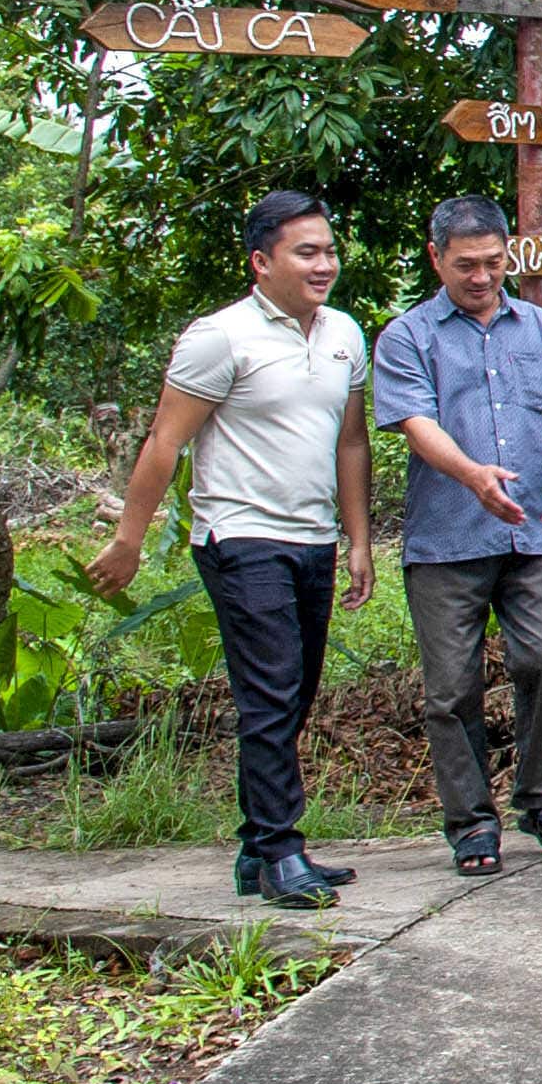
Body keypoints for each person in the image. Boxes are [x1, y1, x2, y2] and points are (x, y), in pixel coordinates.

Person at [87, 191, 374, 910]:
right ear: (261, 261)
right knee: (271, 692)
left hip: (312, 538)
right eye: (306, 251)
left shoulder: (342, 333)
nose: (325, 264)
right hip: (241, 536)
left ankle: (257, 848)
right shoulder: (221, 337)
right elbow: (165, 441)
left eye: (329, 250)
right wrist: (128, 539)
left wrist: (360, 537)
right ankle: (281, 851)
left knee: (296, 692)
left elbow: (351, 441)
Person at [371, 194, 542, 879]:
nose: (482, 277)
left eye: (494, 263)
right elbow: (415, 422)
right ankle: (470, 821)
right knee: (450, 690)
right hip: (449, 539)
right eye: (466, 265)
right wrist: (471, 475)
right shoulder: (407, 338)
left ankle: (539, 797)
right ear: (437, 259)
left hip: (536, 531)